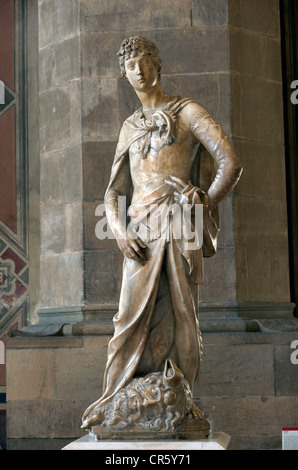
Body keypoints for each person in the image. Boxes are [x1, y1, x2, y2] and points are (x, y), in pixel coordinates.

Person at [81, 36, 242, 429]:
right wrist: (118, 230)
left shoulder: (188, 112)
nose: (139, 70)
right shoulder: (129, 127)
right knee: (127, 320)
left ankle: (182, 400)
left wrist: (204, 198)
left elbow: (230, 163)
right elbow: (114, 191)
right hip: (140, 233)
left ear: (158, 64)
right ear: (125, 75)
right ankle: (115, 399)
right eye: (131, 65)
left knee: (185, 315)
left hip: (179, 223)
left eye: (145, 61)